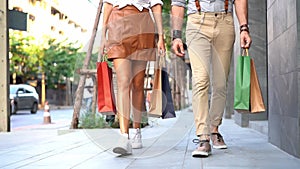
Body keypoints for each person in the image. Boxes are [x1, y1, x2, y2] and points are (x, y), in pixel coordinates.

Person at [171, 0, 252, 157]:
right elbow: (178, 3)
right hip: (197, 22)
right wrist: (176, 36)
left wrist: (244, 28)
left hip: (225, 22)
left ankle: (214, 129)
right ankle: (203, 136)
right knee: (201, 80)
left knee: (220, 83)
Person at [101, 0, 165, 156]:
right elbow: (108, 4)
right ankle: (124, 136)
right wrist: (103, 33)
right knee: (123, 82)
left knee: (137, 84)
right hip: (118, 23)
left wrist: (161, 36)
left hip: (143, 24)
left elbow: (156, 4)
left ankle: (136, 131)